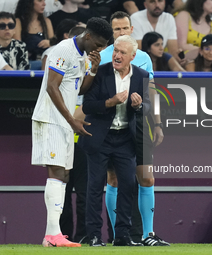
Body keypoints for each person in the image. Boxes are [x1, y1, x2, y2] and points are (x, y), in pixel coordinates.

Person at [31, 17, 112, 248]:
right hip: (51, 118)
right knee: (57, 172)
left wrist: (93, 70)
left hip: (65, 122)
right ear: (88, 36)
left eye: (104, 45)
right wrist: (71, 120)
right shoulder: (63, 50)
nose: (100, 49)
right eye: (98, 43)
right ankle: (52, 235)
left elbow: (80, 88)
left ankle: (53, 234)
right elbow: (51, 86)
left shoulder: (83, 56)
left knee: (63, 175)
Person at [99, 11, 169, 246]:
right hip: (112, 127)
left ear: (131, 29)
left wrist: (157, 123)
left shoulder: (143, 57)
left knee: (147, 178)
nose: (121, 32)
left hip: (139, 125)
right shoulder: (102, 57)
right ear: (111, 32)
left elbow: (151, 91)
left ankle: (148, 235)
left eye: (124, 28)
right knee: (114, 180)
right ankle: (120, 235)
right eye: (116, 29)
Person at [78, 35, 150, 247]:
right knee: (94, 187)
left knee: (128, 185)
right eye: (116, 50)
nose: (117, 55)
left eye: (122, 53)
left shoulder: (142, 76)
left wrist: (138, 107)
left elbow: (147, 110)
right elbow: (87, 106)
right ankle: (93, 235)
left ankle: (122, 236)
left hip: (125, 140)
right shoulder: (99, 72)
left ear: (133, 57)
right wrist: (111, 102)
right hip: (100, 137)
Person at [14, 0, 54, 70]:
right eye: (40, 1)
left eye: (44, 1)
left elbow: (54, 45)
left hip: (44, 59)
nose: (44, 4)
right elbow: (18, 47)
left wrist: (49, 43)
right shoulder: (18, 21)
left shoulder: (46, 22)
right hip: (27, 61)